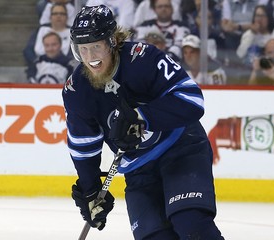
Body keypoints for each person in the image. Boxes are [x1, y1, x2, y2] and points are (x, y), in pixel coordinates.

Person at [63, 5, 224, 239]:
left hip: (181, 150)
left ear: (112, 42)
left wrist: (142, 117)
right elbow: (83, 147)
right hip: (138, 172)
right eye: (83, 50)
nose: (91, 58)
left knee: (191, 225)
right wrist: (90, 192)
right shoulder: (77, 90)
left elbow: (192, 100)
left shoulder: (143, 58)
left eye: (96, 46)